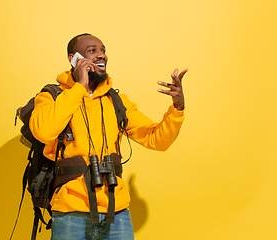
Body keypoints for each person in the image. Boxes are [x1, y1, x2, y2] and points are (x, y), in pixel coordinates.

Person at [29, 33, 187, 240]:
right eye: (92, 51)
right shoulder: (52, 96)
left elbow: (156, 139)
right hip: (71, 212)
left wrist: (178, 107)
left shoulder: (117, 101)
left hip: (117, 212)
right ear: (73, 58)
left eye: (103, 50)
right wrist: (79, 88)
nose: (101, 55)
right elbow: (42, 131)